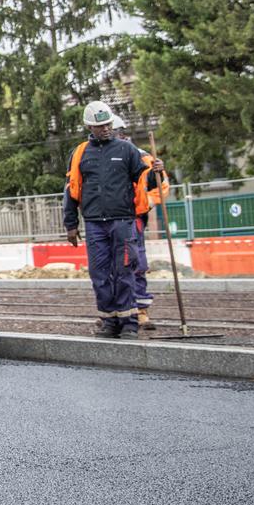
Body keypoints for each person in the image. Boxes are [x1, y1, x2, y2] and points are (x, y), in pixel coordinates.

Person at [63, 103, 162, 338]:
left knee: (124, 270)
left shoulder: (127, 150)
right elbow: (72, 189)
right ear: (89, 127)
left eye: (108, 124)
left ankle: (129, 322)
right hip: (95, 223)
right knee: (100, 273)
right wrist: (70, 224)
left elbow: (144, 181)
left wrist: (157, 172)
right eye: (100, 126)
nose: (106, 129)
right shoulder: (80, 153)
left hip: (123, 221)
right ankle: (109, 320)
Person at [115, 117, 168, 330]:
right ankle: (117, 311)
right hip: (109, 218)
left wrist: (147, 202)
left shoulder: (144, 158)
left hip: (134, 216)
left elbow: (162, 185)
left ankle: (141, 310)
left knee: (136, 262)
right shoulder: (99, 155)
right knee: (113, 266)